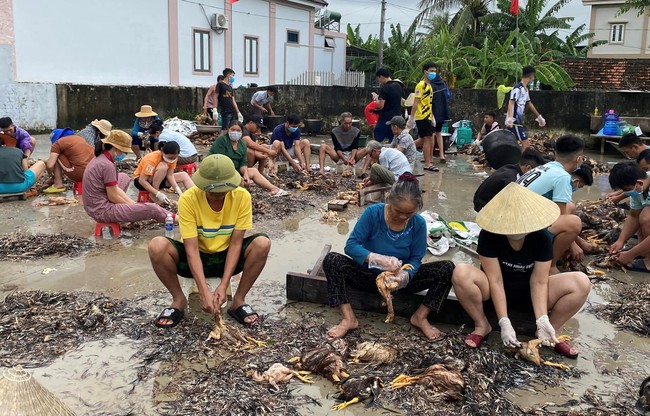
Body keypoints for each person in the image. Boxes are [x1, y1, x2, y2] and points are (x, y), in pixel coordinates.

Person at [452, 182, 590, 357]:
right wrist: (504, 321)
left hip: (530, 292)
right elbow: (495, 279)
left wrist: (541, 318)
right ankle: (482, 325)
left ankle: (548, 332)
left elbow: (539, 281)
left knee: (581, 282)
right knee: (461, 272)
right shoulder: (489, 236)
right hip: (494, 291)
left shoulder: (541, 237)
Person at [323, 173, 454, 339]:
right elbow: (351, 246)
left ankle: (420, 317)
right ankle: (349, 319)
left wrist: (405, 276)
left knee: (446, 268)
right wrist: (377, 259)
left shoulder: (418, 224)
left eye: (409, 213)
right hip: (368, 276)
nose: (402, 217)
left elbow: (415, 258)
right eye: (398, 211)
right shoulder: (373, 213)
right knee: (332, 261)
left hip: (397, 283)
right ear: (389, 199)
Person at [148, 154, 271, 328]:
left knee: (262, 243)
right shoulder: (188, 199)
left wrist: (224, 283)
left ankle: (238, 301)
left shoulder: (242, 197)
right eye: (212, 193)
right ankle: (178, 300)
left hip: (227, 255)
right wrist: (203, 291)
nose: (217, 196)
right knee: (157, 245)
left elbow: (236, 243)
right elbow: (191, 249)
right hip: (196, 256)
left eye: (222, 193)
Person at [516, 135, 589, 269]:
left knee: (571, 207)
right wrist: (573, 244)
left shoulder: (544, 167)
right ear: (579, 159)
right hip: (521, 229)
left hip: (513, 219)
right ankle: (549, 266)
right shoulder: (563, 177)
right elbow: (560, 217)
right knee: (574, 223)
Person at [82, 130, 173, 224]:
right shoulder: (107, 165)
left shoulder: (100, 158)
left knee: (123, 177)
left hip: (93, 206)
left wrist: (133, 205)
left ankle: (131, 207)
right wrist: (134, 208)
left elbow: (115, 190)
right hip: (102, 211)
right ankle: (177, 219)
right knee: (152, 209)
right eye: (123, 151)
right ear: (115, 148)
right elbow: (113, 196)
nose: (124, 155)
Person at [209, 120, 289, 197]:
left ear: (241, 132)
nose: (235, 132)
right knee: (239, 183)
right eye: (233, 130)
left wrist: (246, 174)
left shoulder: (242, 144)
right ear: (228, 130)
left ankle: (274, 189)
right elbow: (220, 162)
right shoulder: (222, 141)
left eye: (238, 130)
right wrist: (237, 176)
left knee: (253, 171)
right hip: (219, 172)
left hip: (235, 170)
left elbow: (243, 163)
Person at [473, 147, 547, 212]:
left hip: (479, 202)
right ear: (528, 168)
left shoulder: (509, 167)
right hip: (483, 208)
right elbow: (515, 201)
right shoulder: (513, 177)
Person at [608, 162, 650, 272]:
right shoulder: (640, 187)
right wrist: (621, 241)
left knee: (646, 217)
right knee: (642, 214)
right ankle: (644, 251)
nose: (626, 193)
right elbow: (633, 216)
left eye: (627, 189)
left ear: (639, 182)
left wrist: (631, 254)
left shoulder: (639, 186)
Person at [505, 66, 546, 150]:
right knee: (526, 145)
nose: (533, 79)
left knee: (516, 145)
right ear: (531, 76)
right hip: (514, 121)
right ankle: (521, 162)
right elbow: (511, 102)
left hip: (518, 121)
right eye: (534, 77)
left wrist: (539, 117)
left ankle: (517, 161)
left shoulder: (525, 90)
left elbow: (529, 103)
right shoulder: (518, 88)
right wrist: (510, 117)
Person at [409, 62, 438, 171]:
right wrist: (412, 118)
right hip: (422, 116)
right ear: (425, 72)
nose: (433, 73)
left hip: (428, 116)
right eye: (431, 71)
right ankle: (427, 163)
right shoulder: (421, 85)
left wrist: (432, 116)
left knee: (427, 139)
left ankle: (408, 149)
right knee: (427, 139)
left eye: (435, 71)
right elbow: (416, 102)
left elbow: (428, 103)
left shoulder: (430, 86)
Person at [373, 68, 404, 143]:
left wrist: (376, 98)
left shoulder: (385, 88)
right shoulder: (398, 86)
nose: (379, 82)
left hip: (385, 118)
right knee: (393, 140)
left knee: (377, 138)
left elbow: (381, 105)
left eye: (379, 79)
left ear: (381, 77)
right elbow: (402, 101)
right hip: (397, 117)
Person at [429, 64, 450, 163]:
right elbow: (448, 97)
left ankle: (431, 157)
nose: (432, 73)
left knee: (432, 134)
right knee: (438, 133)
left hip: (432, 112)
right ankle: (442, 155)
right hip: (442, 112)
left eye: (433, 71)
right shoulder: (443, 83)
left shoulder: (430, 85)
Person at [217, 68, 242, 135]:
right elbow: (215, 97)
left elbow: (233, 100)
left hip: (231, 110)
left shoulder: (230, 87)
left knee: (231, 128)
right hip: (225, 110)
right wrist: (214, 109)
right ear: (228, 75)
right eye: (232, 75)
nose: (233, 78)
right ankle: (222, 142)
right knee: (224, 128)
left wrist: (238, 112)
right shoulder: (220, 85)